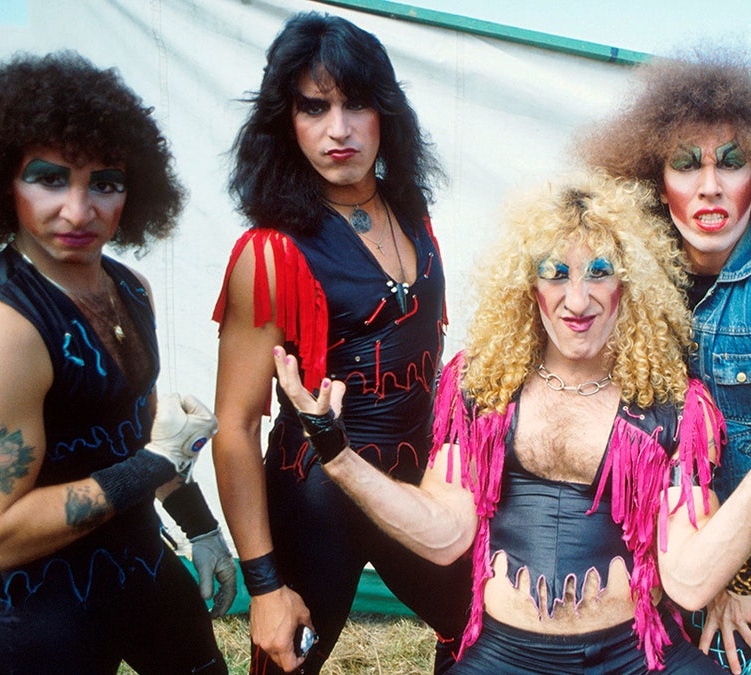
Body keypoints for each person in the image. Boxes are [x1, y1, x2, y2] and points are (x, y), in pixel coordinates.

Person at [270, 172, 751, 674]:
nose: (577, 299)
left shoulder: (672, 406)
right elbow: (444, 534)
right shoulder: (481, 389)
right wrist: (338, 455)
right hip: (503, 654)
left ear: (629, 287)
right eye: (555, 273)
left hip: (634, 656)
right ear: (530, 288)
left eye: (599, 272)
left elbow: (691, 580)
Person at [211, 12, 469, 674]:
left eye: (357, 104)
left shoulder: (412, 216)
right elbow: (235, 426)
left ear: (385, 113)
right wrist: (264, 585)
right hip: (316, 500)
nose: (339, 129)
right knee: (286, 662)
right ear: (286, 120)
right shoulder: (268, 253)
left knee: (481, 632)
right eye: (314, 106)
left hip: (415, 485)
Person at [0, 52, 229, 673]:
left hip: (141, 567)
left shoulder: (129, 287)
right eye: (50, 179)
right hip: (40, 614)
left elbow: (136, 426)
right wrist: (157, 464)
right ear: (4, 180)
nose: (79, 212)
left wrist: (199, 524)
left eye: (104, 182)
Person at [581, 53, 751, 673]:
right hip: (630, 531)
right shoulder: (629, 268)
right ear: (653, 176)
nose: (709, 186)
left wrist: (742, 574)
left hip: (737, 544)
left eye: (731, 162)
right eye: (686, 163)